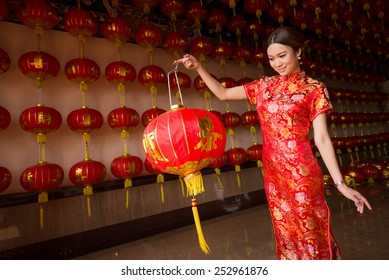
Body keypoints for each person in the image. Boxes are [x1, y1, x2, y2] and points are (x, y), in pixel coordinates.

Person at [174, 26, 372, 260]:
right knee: (287, 235)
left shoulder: (314, 89)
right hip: (274, 175)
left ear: (298, 52)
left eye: (282, 55)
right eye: (271, 58)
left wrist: (341, 184)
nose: (277, 63)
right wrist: (199, 68)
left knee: (312, 233)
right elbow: (223, 94)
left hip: (301, 174)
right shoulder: (263, 86)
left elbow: (321, 138)